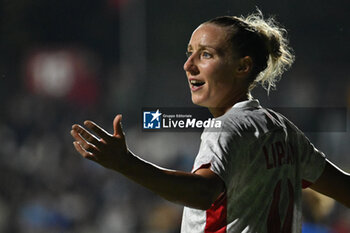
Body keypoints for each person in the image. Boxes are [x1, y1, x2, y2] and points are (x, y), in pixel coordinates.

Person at [70, 10, 350, 233]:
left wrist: (125, 163)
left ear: (243, 66)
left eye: (206, 54)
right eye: (189, 52)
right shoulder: (284, 131)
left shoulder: (226, 128)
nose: (188, 64)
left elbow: (204, 191)